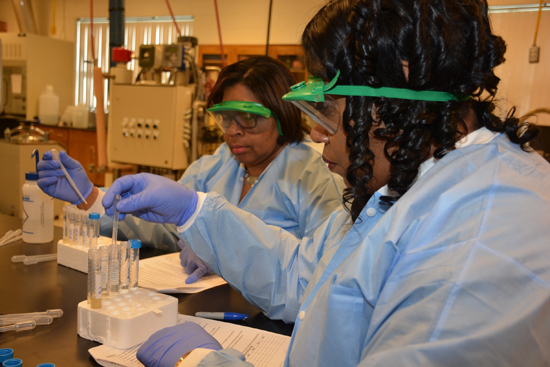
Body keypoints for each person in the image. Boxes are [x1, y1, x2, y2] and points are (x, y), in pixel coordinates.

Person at [103, 0, 550, 366]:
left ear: (394, 106)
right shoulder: (410, 180)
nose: (316, 134)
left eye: (328, 112)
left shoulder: (477, 241)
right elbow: (302, 274)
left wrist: (206, 364)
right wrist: (195, 211)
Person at [36, 56, 345, 283]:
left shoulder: (314, 176)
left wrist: (224, 254)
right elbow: (163, 227)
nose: (233, 131)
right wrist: (89, 195)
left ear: (282, 115)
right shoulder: (217, 165)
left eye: (248, 118)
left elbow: (317, 269)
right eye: (225, 117)